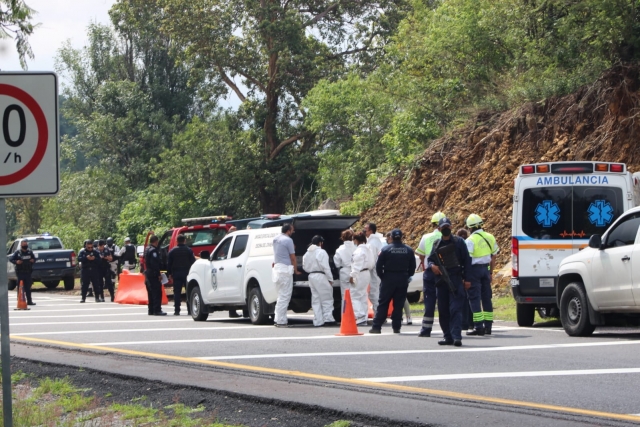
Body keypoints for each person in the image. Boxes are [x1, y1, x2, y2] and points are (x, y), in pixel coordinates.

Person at [427, 217, 472, 346]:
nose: (446, 229)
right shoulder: (436, 243)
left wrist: (467, 279)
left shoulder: (459, 242)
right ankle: (448, 336)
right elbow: (430, 259)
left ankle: (456, 336)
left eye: (448, 227)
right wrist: (432, 266)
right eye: (443, 227)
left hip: (456, 278)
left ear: (451, 227)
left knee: (455, 309)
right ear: (439, 229)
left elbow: (467, 262)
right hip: (441, 281)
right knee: (443, 310)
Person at [370, 229, 416, 334]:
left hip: (388, 277)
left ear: (391, 236)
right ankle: (396, 327)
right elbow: (412, 268)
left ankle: (377, 327)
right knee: (399, 304)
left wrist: (383, 277)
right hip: (402, 278)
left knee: (383, 303)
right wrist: (407, 275)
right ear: (401, 237)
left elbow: (378, 266)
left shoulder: (385, 249)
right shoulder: (408, 250)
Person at [465, 214, 499, 336]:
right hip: (486, 269)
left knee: (474, 298)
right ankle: (488, 327)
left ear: (469, 228)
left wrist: (466, 276)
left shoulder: (470, 240)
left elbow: (468, 260)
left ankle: (479, 327)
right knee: (486, 299)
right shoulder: (490, 236)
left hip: (474, 271)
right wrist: (490, 272)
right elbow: (493, 256)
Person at [416, 212, 446, 337]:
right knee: (444, 301)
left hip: (430, 272)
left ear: (433, 224)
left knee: (429, 300)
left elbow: (421, 255)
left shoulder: (426, 237)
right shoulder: (448, 237)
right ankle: (447, 330)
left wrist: (426, 266)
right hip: (444, 272)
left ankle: (426, 330)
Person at [302, 235, 336, 327]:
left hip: (311, 276)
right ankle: (328, 318)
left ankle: (318, 320)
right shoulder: (321, 252)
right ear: (320, 243)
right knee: (327, 298)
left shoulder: (306, 253)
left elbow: (304, 267)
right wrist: (330, 279)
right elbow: (326, 266)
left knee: (316, 299)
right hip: (320, 275)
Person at [272, 223, 300, 327]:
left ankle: (277, 319)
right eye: (292, 230)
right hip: (285, 270)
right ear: (288, 231)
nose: (293, 232)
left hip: (276, 270)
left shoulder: (275, 239)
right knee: (285, 296)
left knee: (280, 296)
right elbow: (293, 257)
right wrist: (296, 270)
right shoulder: (288, 240)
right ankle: (281, 321)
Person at [385, 232, 413, 325]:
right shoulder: (405, 248)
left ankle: (401, 316)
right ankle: (405, 316)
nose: (387, 241)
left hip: (393, 276)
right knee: (402, 297)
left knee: (399, 297)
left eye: (388, 239)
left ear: (391, 238)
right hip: (404, 275)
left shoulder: (388, 249)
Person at [167, 234, 196, 316]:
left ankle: (177, 310)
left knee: (177, 292)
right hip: (187, 273)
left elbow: (169, 264)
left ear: (176, 241)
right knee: (188, 292)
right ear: (184, 241)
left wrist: (169, 273)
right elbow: (193, 262)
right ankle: (190, 310)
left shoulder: (172, 251)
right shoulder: (189, 250)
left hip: (176, 273)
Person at [349, 232, 372, 326]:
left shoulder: (358, 251)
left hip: (360, 273)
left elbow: (357, 265)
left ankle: (360, 316)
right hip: (367, 273)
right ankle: (364, 317)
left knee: (354, 295)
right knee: (363, 295)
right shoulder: (368, 250)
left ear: (356, 240)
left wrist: (352, 275)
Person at [364, 223, 384, 318]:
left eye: (366, 230)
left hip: (374, 271)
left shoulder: (372, 243)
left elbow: (371, 259)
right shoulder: (375, 241)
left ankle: (379, 314)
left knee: (373, 293)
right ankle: (379, 314)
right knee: (375, 293)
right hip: (375, 270)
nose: (364, 232)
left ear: (371, 231)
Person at [456, 228, 474, 332]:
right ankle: (471, 323)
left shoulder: (459, 245)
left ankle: (464, 323)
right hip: (470, 274)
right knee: (470, 299)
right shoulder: (466, 243)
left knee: (463, 301)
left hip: (461, 275)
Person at [144, 235, 166, 316]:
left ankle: (151, 310)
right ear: (156, 241)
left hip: (148, 273)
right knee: (157, 292)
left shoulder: (147, 249)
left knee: (150, 292)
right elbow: (155, 264)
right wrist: (158, 274)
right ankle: (157, 310)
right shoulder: (153, 251)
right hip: (153, 274)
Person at [10, 240, 36, 306]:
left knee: (28, 288)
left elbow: (34, 259)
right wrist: (16, 261)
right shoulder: (17, 252)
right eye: (24, 244)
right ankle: (19, 300)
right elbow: (11, 259)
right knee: (20, 287)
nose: (25, 246)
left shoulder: (30, 252)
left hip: (28, 273)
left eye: (26, 244)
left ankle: (29, 301)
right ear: (21, 245)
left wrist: (33, 260)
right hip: (20, 273)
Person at [333, 230, 356, 300]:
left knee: (344, 295)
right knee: (355, 295)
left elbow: (337, 263)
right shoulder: (356, 247)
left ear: (343, 238)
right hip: (355, 270)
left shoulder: (340, 249)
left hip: (344, 271)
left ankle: (345, 310)